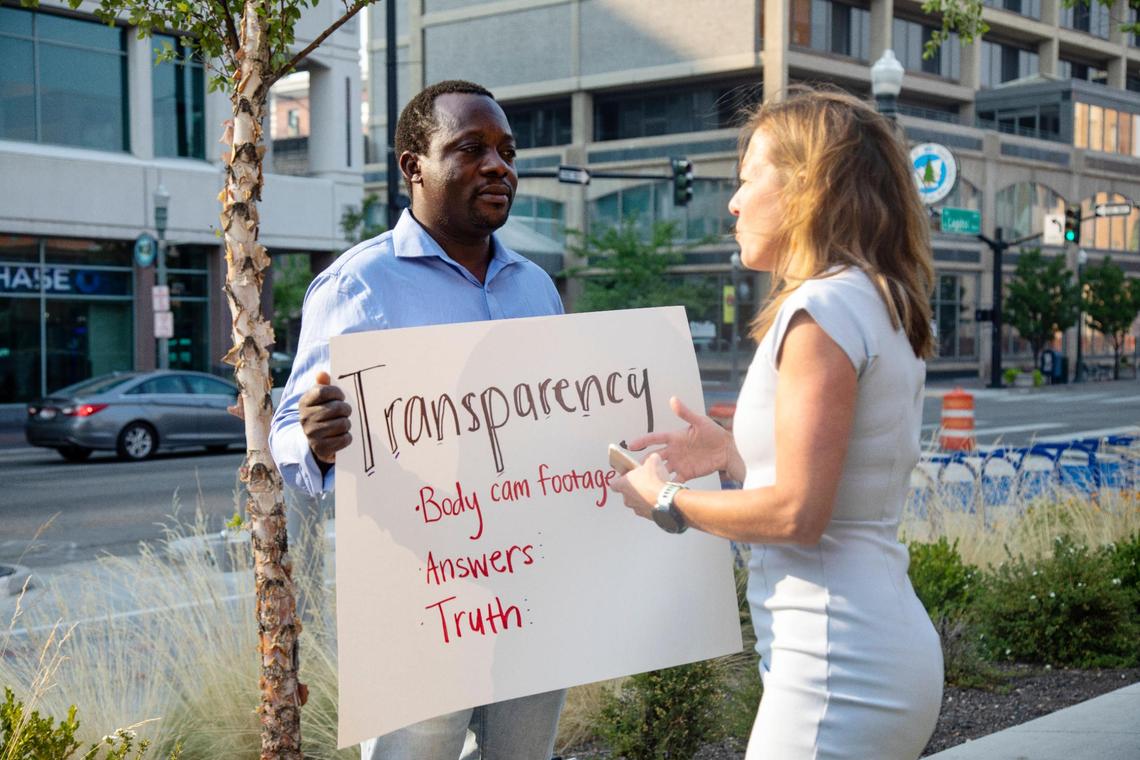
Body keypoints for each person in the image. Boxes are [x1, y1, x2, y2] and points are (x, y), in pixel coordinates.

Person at [609, 87, 943, 760]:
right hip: (868, 644)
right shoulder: (875, 298)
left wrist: (666, 501)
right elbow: (843, 483)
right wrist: (733, 456)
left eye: (745, 181)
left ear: (803, 188)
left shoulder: (820, 311)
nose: (732, 203)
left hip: (836, 664)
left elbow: (799, 515)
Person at [268, 80, 566, 760]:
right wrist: (315, 438)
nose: (499, 166)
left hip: (534, 591)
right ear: (413, 166)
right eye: (471, 149)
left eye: (506, 151)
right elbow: (290, 430)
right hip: (424, 602)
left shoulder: (536, 288)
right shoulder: (358, 286)